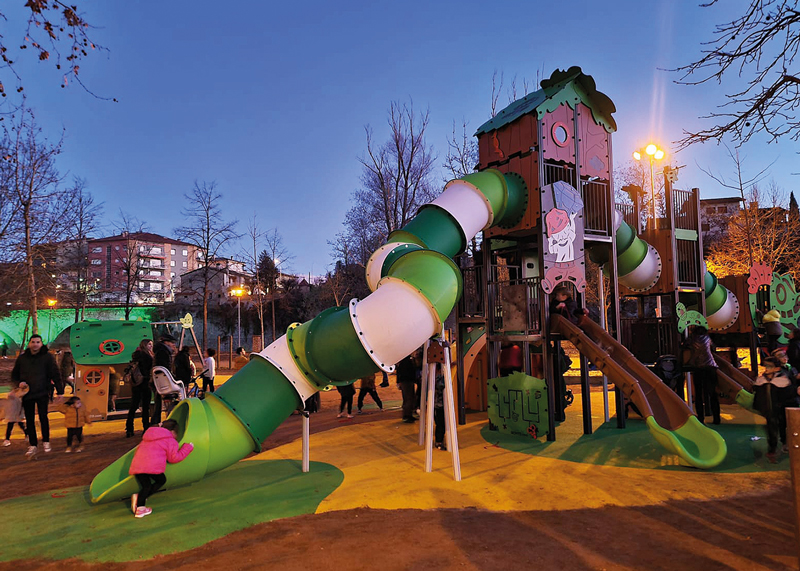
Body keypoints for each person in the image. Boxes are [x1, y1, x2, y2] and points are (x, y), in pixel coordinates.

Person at [128, 419, 194, 518]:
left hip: (137, 465)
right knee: (161, 480)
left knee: (146, 485)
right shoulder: (170, 441)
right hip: (152, 467)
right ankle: (140, 509)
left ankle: (140, 500)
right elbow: (174, 458)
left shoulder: (147, 437)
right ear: (172, 431)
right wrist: (187, 448)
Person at [11, 334, 63, 459]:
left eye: (37, 342)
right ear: (29, 343)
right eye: (33, 342)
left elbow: (55, 374)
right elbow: (15, 375)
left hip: (42, 392)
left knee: (43, 417)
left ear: (41, 343)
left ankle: (46, 441)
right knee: (29, 420)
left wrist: (60, 391)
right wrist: (19, 383)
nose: (35, 344)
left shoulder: (48, 357)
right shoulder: (22, 358)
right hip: (27, 393)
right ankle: (33, 444)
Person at [753, 357, 799, 463]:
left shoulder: (783, 379)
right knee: (771, 430)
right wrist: (759, 407)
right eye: (765, 366)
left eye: (769, 366)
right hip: (769, 411)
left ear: (777, 368)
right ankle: (772, 450)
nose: (766, 368)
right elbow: (758, 396)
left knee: (783, 426)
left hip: (781, 409)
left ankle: (784, 443)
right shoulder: (761, 380)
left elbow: (790, 393)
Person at [682, 326, 720, 425]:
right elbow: (714, 348)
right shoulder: (707, 338)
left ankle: (701, 418)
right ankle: (716, 418)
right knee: (712, 393)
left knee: (699, 394)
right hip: (711, 367)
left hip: (698, 367)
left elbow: (684, 346)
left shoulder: (691, 339)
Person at [126, 339, 154, 438]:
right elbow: (148, 369)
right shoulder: (146, 356)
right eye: (149, 344)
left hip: (136, 383)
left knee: (134, 405)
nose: (151, 346)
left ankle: (129, 428)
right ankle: (146, 427)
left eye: (151, 344)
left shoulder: (136, 355)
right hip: (145, 382)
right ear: (144, 345)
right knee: (145, 407)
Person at [151, 335, 176, 426]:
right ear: (166, 342)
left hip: (158, 381)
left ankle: (155, 424)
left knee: (158, 405)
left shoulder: (160, 351)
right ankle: (166, 424)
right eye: (172, 342)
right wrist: (172, 378)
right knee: (164, 404)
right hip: (163, 381)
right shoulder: (163, 352)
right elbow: (165, 367)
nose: (174, 344)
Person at [2, 382, 28, 447]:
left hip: (17, 412)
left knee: (18, 425)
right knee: (13, 425)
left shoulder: (20, 394)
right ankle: (7, 439)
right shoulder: (14, 394)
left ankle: (7, 439)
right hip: (13, 412)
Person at [396, 351, 419, 423]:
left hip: (406, 381)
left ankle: (408, 414)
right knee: (408, 398)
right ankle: (407, 415)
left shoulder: (404, 361)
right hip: (407, 381)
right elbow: (409, 372)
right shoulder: (407, 361)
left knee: (408, 398)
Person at [433, 373, 447, 451]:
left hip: (438, 404)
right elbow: (440, 385)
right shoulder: (437, 378)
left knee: (441, 424)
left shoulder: (433, 376)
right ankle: (439, 441)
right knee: (441, 424)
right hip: (439, 405)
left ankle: (439, 441)